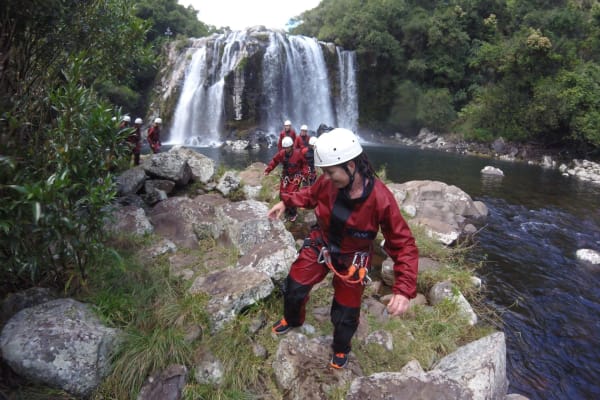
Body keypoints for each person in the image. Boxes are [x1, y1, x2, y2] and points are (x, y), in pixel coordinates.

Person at [267, 128, 418, 369]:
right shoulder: (327, 183)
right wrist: (286, 202)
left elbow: (403, 244)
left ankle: (340, 348)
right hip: (322, 243)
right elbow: (309, 194)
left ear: (350, 165)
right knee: (294, 286)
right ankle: (293, 319)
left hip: (353, 257)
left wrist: (403, 289)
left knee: (346, 311)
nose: (325, 178)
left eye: (329, 172)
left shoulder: (380, 198)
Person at [264, 136, 308, 222]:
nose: (286, 149)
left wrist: (304, 174)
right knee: (282, 194)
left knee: (291, 194)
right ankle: (285, 211)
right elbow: (274, 161)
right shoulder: (281, 154)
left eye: (288, 147)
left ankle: (292, 214)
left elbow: (305, 164)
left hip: (296, 177)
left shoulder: (298, 154)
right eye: (285, 148)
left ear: (292, 146)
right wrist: (268, 170)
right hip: (286, 177)